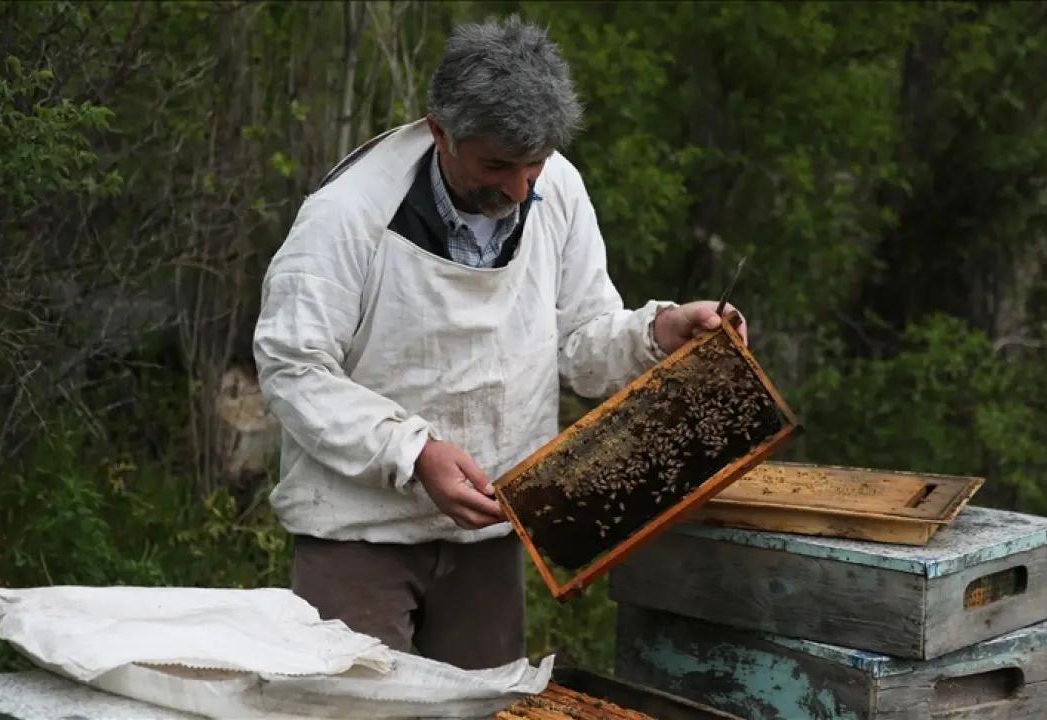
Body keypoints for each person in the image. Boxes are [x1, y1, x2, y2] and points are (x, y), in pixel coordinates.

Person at [253, 15, 746, 671]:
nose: (518, 190)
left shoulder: (558, 188)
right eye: (497, 166)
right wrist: (414, 449)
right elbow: (293, 367)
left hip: (491, 532)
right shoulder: (349, 214)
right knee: (354, 712)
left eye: (533, 167)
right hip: (358, 535)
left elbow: (581, 341)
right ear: (440, 133)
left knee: (481, 708)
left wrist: (659, 332)